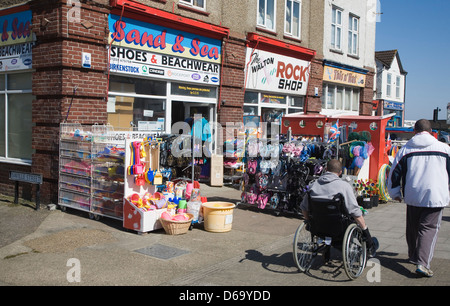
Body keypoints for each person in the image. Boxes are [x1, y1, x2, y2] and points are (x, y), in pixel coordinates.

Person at [388, 119, 450, 277]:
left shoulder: (406, 149)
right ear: (431, 132)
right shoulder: (444, 149)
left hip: (413, 194)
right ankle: (423, 263)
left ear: (414, 131)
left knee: (413, 227)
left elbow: (394, 173)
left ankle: (413, 255)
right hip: (436, 195)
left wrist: (394, 193)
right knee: (428, 229)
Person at [300, 159, 379, 258]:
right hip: (339, 228)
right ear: (340, 172)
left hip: (317, 227)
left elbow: (304, 208)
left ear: (325, 169)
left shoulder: (313, 186)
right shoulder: (344, 186)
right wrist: (365, 229)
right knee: (356, 222)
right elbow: (354, 210)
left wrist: (309, 221)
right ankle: (370, 246)